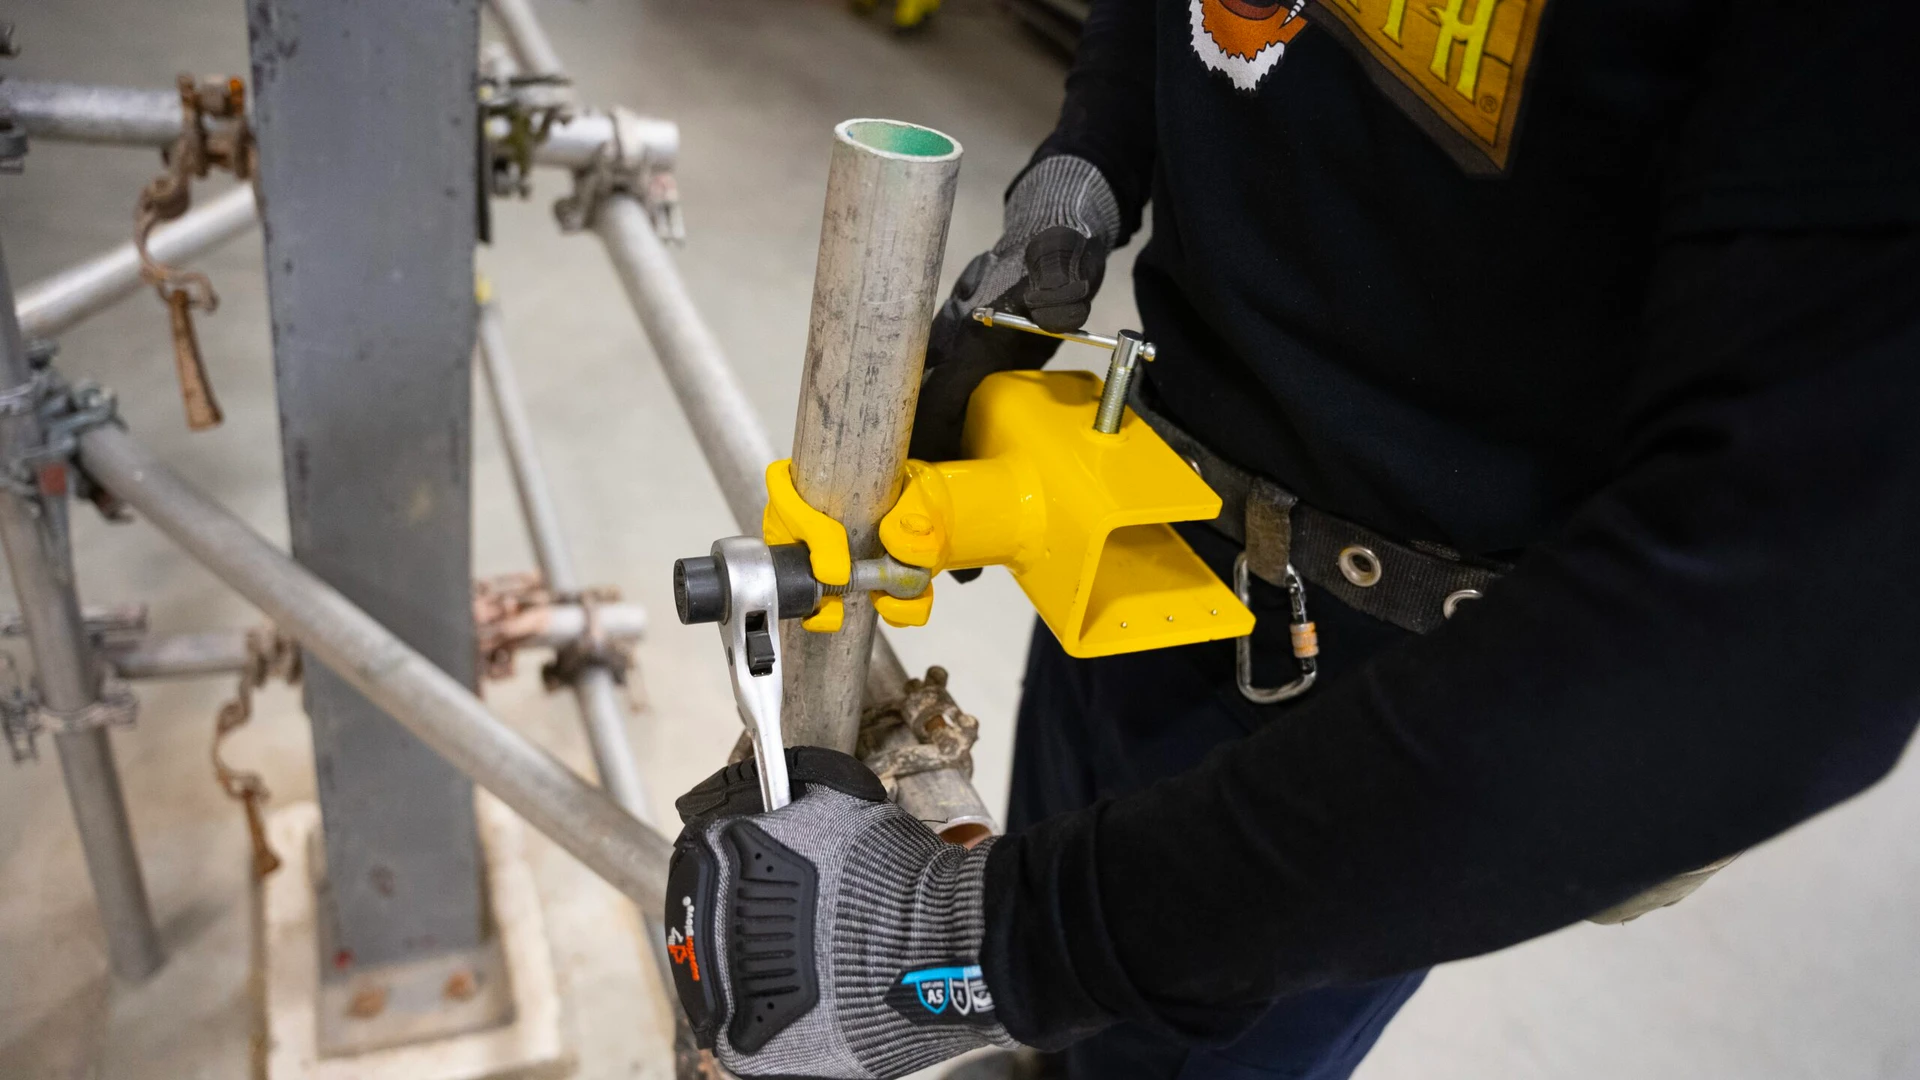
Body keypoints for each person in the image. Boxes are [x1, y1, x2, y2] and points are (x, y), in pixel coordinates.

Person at [659, 1, 1920, 1077]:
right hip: (1150, 538)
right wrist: (1090, 160)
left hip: (1395, 735)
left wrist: (986, 941)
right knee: (1067, 1007)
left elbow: (1782, 632)